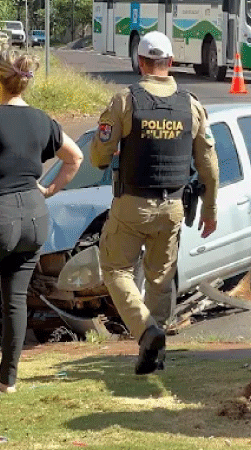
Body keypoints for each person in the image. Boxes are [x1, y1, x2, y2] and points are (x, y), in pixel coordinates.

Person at [91, 31, 219, 375]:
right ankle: (155, 354)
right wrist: (210, 209)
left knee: (116, 269)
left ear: (141, 63)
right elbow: (209, 165)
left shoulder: (124, 100)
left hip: (133, 204)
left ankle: (148, 331)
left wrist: (105, 157)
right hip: (174, 207)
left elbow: (100, 155)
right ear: (171, 63)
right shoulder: (190, 104)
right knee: (161, 280)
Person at [0, 45, 83, 393]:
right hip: (35, 216)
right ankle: (8, 380)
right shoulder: (40, 119)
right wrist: (48, 191)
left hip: (2, 213)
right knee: (15, 300)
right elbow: (74, 157)